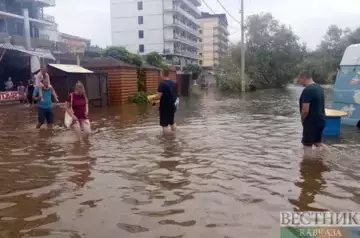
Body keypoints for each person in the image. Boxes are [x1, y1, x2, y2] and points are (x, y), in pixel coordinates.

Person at [298, 71, 329, 157]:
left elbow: (305, 109)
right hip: (320, 120)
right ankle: (330, 156)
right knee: (317, 142)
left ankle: (308, 163)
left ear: (304, 77)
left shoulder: (308, 90)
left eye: (299, 80)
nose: (299, 82)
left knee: (306, 144)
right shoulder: (319, 88)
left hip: (311, 122)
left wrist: (302, 119)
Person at [157, 70, 179, 134]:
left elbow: (158, 96)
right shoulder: (174, 83)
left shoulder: (162, 84)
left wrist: (151, 98)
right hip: (173, 106)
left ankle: (167, 141)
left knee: (164, 124)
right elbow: (177, 94)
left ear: (162, 74)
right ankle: (175, 135)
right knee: (171, 122)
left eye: (160, 74)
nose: (160, 75)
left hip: (165, 107)